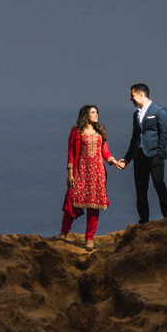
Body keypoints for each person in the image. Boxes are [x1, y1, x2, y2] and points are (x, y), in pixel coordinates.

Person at [61, 105, 124, 246]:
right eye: (93, 112)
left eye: (97, 112)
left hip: (97, 173)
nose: (96, 115)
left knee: (94, 206)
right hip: (81, 172)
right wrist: (70, 174)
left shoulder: (100, 133)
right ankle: (63, 232)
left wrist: (114, 161)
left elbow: (105, 152)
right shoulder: (76, 132)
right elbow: (71, 154)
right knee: (72, 198)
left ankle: (89, 238)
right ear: (86, 115)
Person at [124, 82, 167, 223]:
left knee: (159, 184)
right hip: (139, 157)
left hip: (154, 156)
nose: (131, 99)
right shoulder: (135, 115)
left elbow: (165, 133)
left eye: (132, 96)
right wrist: (127, 159)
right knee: (140, 189)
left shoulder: (159, 111)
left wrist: (160, 153)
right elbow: (134, 138)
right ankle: (143, 220)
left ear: (141, 94)